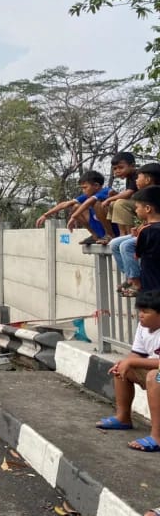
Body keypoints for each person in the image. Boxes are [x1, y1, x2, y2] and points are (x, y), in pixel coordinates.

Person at [94, 289, 160, 454]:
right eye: (140, 311)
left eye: (146, 311)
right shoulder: (143, 327)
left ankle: (157, 436)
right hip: (153, 371)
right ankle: (123, 417)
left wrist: (131, 361)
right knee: (122, 368)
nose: (141, 315)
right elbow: (137, 353)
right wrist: (125, 363)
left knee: (154, 377)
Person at [112, 163, 160, 297]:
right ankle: (130, 277)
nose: (136, 181)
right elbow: (149, 219)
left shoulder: (155, 194)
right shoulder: (143, 195)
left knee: (126, 246)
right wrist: (139, 229)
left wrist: (140, 232)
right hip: (147, 230)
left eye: (138, 177)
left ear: (148, 179)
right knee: (115, 244)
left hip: (153, 232)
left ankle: (137, 283)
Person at [35, 170, 115, 245]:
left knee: (97, 204)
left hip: (114, 230)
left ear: (96, 186)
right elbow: (66, 204)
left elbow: (87, 203)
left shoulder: (106, 191)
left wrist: (73, 217)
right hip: (100, 229)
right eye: (82, 188)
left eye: (85, 187)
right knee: (76, 207)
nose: (83, 190)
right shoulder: (87, 196)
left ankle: (110, 235)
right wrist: (46, 215)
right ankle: (95, 236)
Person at [99, 152, 138, 237]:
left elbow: (128, 194)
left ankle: (129, 234)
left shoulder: (137, 174)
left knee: (120, 203)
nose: (117, 171)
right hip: (139, 203)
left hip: (149, 204)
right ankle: (122, 233)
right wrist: (116, 195)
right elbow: (131, 194)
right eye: (115, 169)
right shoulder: (129, 177)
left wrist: (109, 199)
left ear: (132, 166)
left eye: (121, 168)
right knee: (113, 203)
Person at [133, 186, 160, 293]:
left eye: (137, 207)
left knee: (151, 307)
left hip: (151, 278)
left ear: (148, 209)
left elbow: (137, 254)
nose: (136, 210)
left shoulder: (145, 230)